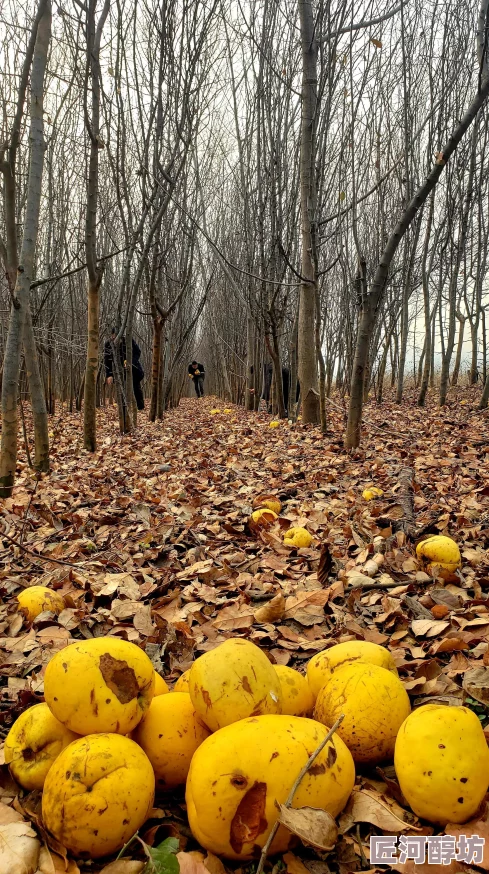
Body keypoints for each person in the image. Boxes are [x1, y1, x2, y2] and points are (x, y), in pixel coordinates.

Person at [104, 329, 145, 411]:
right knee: (121, 390)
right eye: (113, 336)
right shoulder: (108, 344)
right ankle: (124, 408)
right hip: (119, 372)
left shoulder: (128, 340)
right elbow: (107, 361)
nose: (115, 338)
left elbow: (138, 352)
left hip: (134, 370)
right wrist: (109, 375)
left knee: (135, 388)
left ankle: (140, 408)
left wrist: (130, 362)